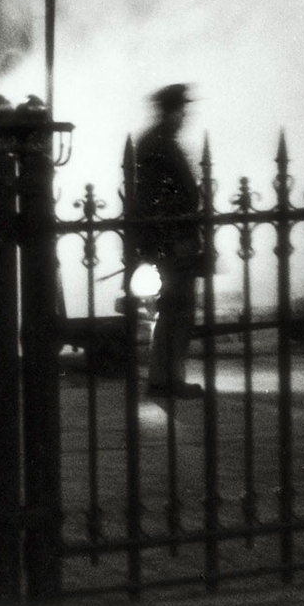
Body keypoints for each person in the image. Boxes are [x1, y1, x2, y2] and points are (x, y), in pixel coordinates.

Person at [128, 83, 206, 399]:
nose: (184, 117)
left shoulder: (152, 141)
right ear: (170, 111)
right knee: (179, 308)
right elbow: (181, 193)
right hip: (173, 238)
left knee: (171, 308)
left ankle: (162, 378)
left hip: (165, 237)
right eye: (181, 111)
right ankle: (169, 378)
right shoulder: (162, 144)